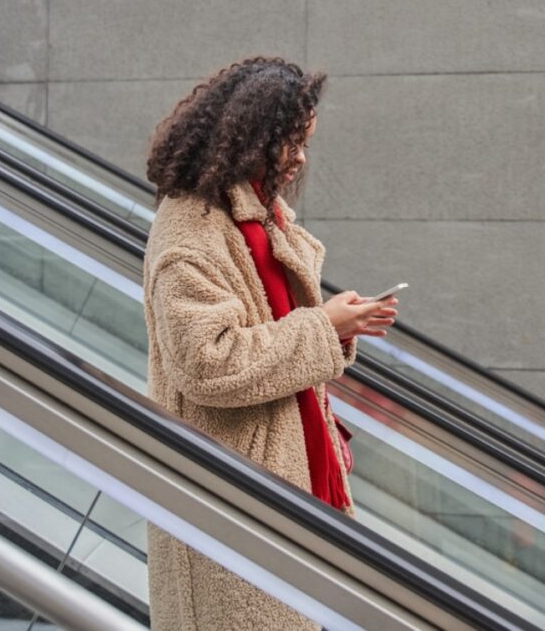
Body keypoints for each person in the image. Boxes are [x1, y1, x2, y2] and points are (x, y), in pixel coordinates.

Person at [141, 57, 400, 630]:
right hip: (230, 487)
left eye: (304, 141)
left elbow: (276, 319)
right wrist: (322, 327)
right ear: (254, 136)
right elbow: (207, 362)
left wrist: (339, 322)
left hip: (283, 467)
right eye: (291, 141)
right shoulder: (190, 228)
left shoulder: (256, 210)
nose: (301, 156)